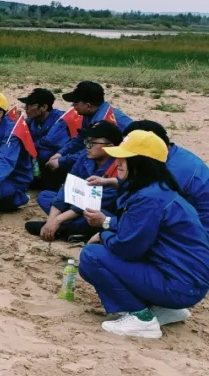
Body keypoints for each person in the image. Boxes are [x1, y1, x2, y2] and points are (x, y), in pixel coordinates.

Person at [77, 130, 209, 339]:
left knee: (92, 256)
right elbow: (137, 227)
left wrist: (104, 236)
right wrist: (107, 224)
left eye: (124, 158)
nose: (118, 163)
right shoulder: (159, 189)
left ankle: (141, 318)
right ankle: (165, 309)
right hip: (187, 282)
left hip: (179, 285)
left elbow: (128, 248)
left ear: (141, 163)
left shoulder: (148, 198)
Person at [26, 121, 122, 243]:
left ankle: (63, 229)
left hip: (101, 209)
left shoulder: (118, 167)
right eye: (87, 141)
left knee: (92, 216)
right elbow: (68, 186)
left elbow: (95, 202)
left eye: (92, 142)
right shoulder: (85, 158)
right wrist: (52, 219)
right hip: (78, 201)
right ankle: (69, 230)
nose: (87, 146)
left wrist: (58, 220)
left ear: (110, 146)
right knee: (45, 197)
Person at [122, 121, 209, 229]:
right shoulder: (172, 154)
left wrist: (108, 222)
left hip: (201, 229)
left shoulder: (174, 169)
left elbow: (146, 208)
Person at [46, 81, 132, 175]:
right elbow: (80, 140)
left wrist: (62, 161)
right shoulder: (89, 114)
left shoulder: (103, 122)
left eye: (75, 103)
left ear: (88, 106)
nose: (72, 106)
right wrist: (60, 154)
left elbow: (90, 151)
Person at [19, 87, 67, 188]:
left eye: (30, 105)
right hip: (40, 160)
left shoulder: (60, 120)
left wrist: (30, 147)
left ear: (44, 107)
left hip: (58, 160)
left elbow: (49, 141)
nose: (25, 108)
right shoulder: (33, 120)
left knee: (43, 153)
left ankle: (52, 184)